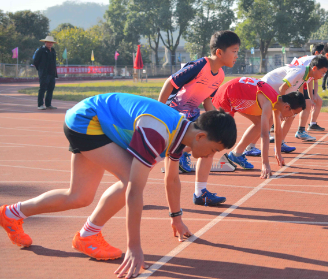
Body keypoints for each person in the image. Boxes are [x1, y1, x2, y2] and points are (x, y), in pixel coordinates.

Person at [0, 93, 236, 278]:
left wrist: (176, 217)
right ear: (201, 137)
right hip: (88, 120)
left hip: (92, 119)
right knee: (130, 182)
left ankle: (12, 213)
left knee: (78, 196)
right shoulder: (158, 132)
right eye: (214, 151)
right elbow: (134, 190)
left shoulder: (182, 134)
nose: (208, 157)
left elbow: (172, 179)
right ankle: (88, 236)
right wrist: (133, 246)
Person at [157, 30, 240, 207]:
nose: (236, 56)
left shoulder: (221, 76)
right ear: (219, 52)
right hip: (174, 113)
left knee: (211, 143)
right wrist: (159, 111)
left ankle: (200, 192)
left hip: (192, 116)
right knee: (155, 153)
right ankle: (130, 187)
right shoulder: (199, 65)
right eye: (234, 51)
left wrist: (216, 121)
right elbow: (169, 83)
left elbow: (206, 99)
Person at [212, 77, 306, 178]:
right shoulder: (268, 103)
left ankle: (236, 154)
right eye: (294, 113)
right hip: (225, 95)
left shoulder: (277, 101)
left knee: (262, 122)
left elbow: (278, 131)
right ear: (287, 107)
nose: (292, 116)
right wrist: (265, 164)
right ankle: (199, 151)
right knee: (223, 133)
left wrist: (278, 153)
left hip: (237, 92)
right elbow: (265, 134)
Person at [243, 55, 328, 156]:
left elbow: (293, 90)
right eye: (323, 72)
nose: (323, 75)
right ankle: (248, 147)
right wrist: (281, 109)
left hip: (273, 93)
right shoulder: (299, 71)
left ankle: (275, 144)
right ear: (314, 68)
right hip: (265, 90)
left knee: (282, 117)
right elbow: (282, 88)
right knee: (267, 120)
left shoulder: (306, 76)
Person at [291, 43, 328, 133]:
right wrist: (308, 97)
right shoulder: (316, 61)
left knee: (315, 100)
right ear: (327, 55)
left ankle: (310, 125)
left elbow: (312, 80)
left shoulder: (321, 62)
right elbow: (305, 79)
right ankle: (300, 131)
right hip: (293, 80)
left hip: (301, 81)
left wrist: (313, 96)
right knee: (305, 104)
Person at [33, 36, 58, 110]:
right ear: (45, 42)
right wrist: (41, 69)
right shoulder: (41, 50)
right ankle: (40, 104)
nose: (50, 44)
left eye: (51, 42)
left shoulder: (53, 50)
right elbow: (35, 61)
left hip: (52, 73)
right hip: (44, 73)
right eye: (49, 42)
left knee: (51, 88)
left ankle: (48, 104)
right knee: (42, 88)